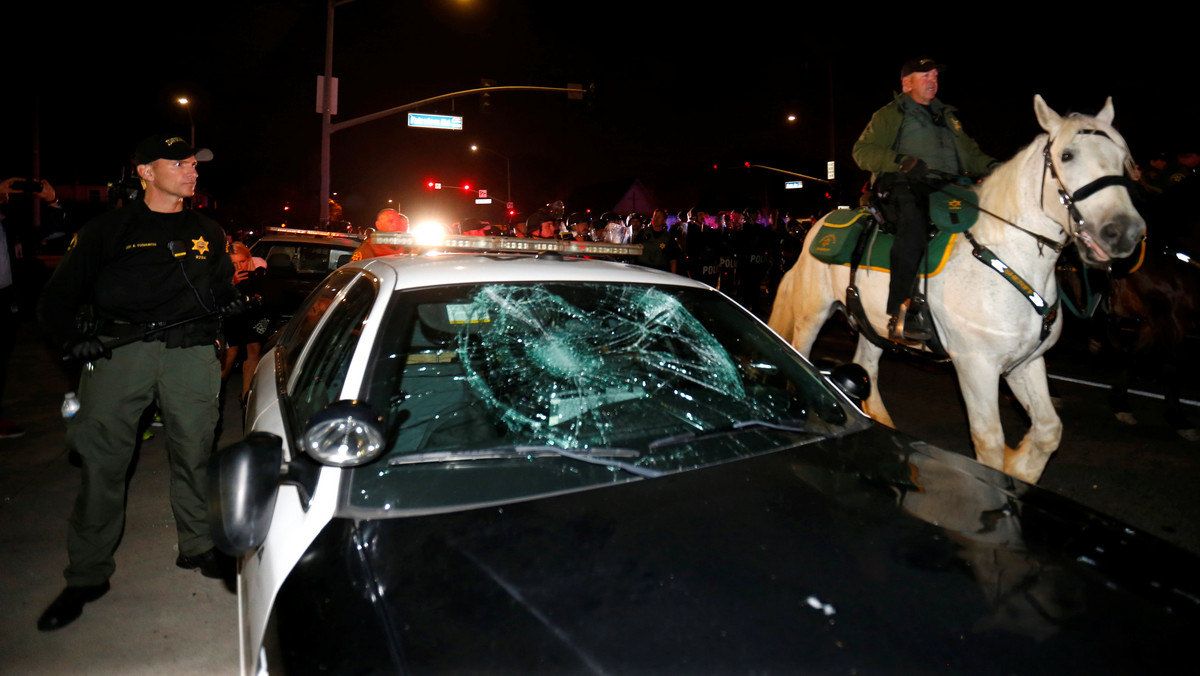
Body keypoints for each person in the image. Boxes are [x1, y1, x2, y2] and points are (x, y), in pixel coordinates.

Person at [35, 135, 244, 631]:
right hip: (120, 354)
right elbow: (57, 297)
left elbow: (216, 288)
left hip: (190, 354)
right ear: (146, 172)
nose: (192, 172)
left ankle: (197, 545)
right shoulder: (108, 229)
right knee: (103, 461)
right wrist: (73, 341)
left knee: (195, 451)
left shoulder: (208, 230)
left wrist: (230, 303)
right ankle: (87, 574)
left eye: (195, 164)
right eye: (179, 163)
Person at [852, 56, 996, 342]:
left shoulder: (948, 116)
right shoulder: (891, 114)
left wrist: (998, 168)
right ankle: (901, 312)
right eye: (925, 75)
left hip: (949, 186)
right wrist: (901, 161)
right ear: (907, 83)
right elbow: (861, 151)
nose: (933, 80)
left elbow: (971, 155)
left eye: (935, 75)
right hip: (904, 184)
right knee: (914, 225)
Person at [634, 208, 681, 273]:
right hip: (642, 269)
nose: (656, 219)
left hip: (660, 271)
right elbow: (634, 250)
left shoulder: (668, 237)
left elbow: (673, 259)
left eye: (659, 217)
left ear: (664, 221)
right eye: (654, 216)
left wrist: (673, 276)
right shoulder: (643, 232)